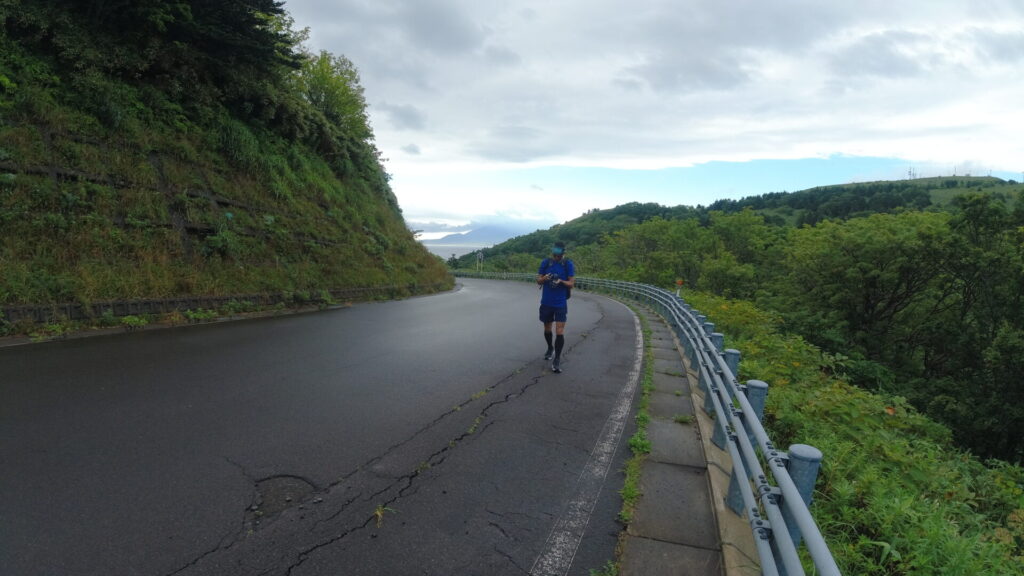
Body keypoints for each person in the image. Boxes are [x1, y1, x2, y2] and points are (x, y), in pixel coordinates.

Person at [537, 241, 575, 373]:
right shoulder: (546, 262)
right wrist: (545, 278)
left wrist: (561, 281)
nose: (556, 257)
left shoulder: (567, 264)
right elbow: (538, 280)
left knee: (559, 331)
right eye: (555, 254)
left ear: (563, 253)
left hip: (560, 303)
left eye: (559, 254)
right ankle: (549, 348)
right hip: (546, 301)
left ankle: (557, 359)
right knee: (547, 328)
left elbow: (571, 284)